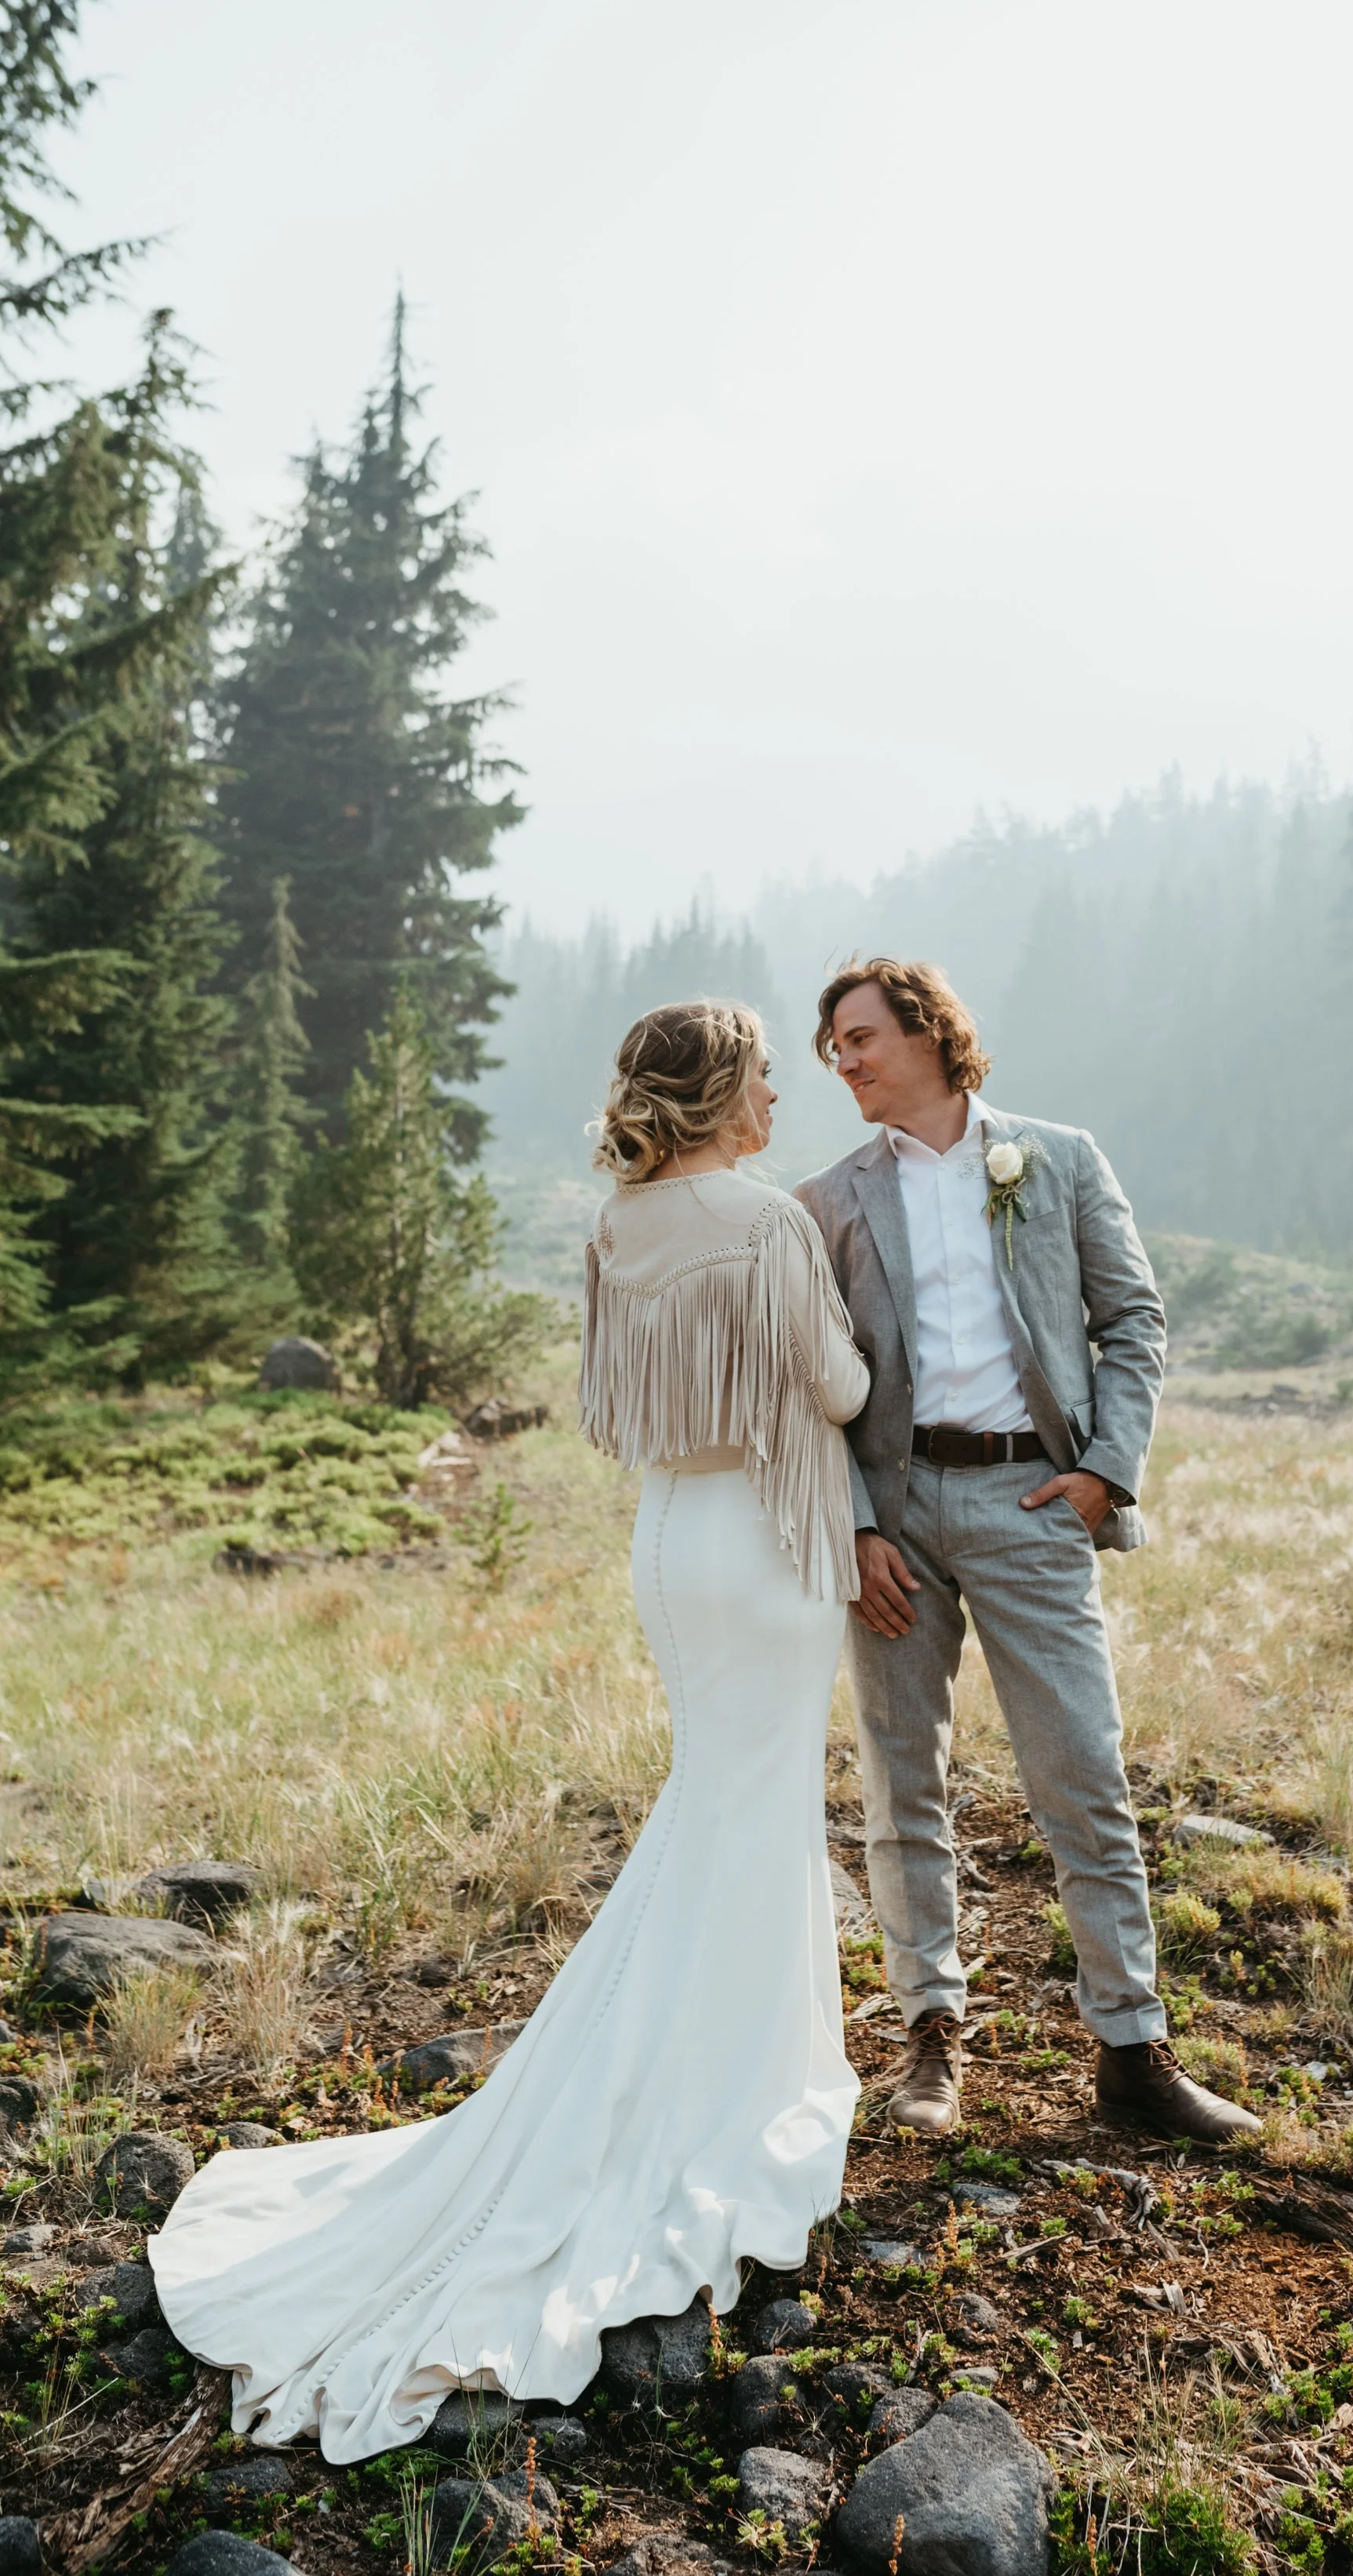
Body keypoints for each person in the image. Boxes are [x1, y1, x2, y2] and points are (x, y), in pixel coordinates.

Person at [151, 1002, 868, 2461]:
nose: (788, 1091)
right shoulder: (772, 1222)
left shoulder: (621, 1225)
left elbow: (618, 1409)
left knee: (718, 1804)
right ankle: (729, 2096)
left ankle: (706, 2068)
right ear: (726, 1089)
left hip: (672, 1541)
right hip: (768, 1547)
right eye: (768, 1072)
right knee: (754, 1810)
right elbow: (838, 1390)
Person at [797, 957, 1257, 2147]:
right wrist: (852, 1524)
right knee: (905, 1781)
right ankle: (930, 2036)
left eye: (857, 1037)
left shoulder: (1058, 1159)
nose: (840, 1060)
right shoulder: (829, 1200)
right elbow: (810, 1387)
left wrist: (1106, 1470)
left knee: (1082, 1774)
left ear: (931, 1034)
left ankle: (1134, 2051)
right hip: (893, 1524)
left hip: (1035, 1503)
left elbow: (1134, 1319)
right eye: (830, 1046)